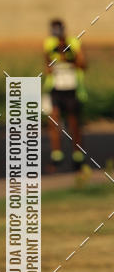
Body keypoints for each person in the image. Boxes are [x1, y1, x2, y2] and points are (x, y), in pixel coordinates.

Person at [42, 19, 88, 172]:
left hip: (72, 89)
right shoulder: (48, 44)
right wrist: (54, 61)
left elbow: (83, 64)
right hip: (54, 89)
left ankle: (77, 157)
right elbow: (47, 65)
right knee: (53, 121)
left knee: (74, 123)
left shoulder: (74, 43)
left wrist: (69, 59)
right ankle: (56, 156)